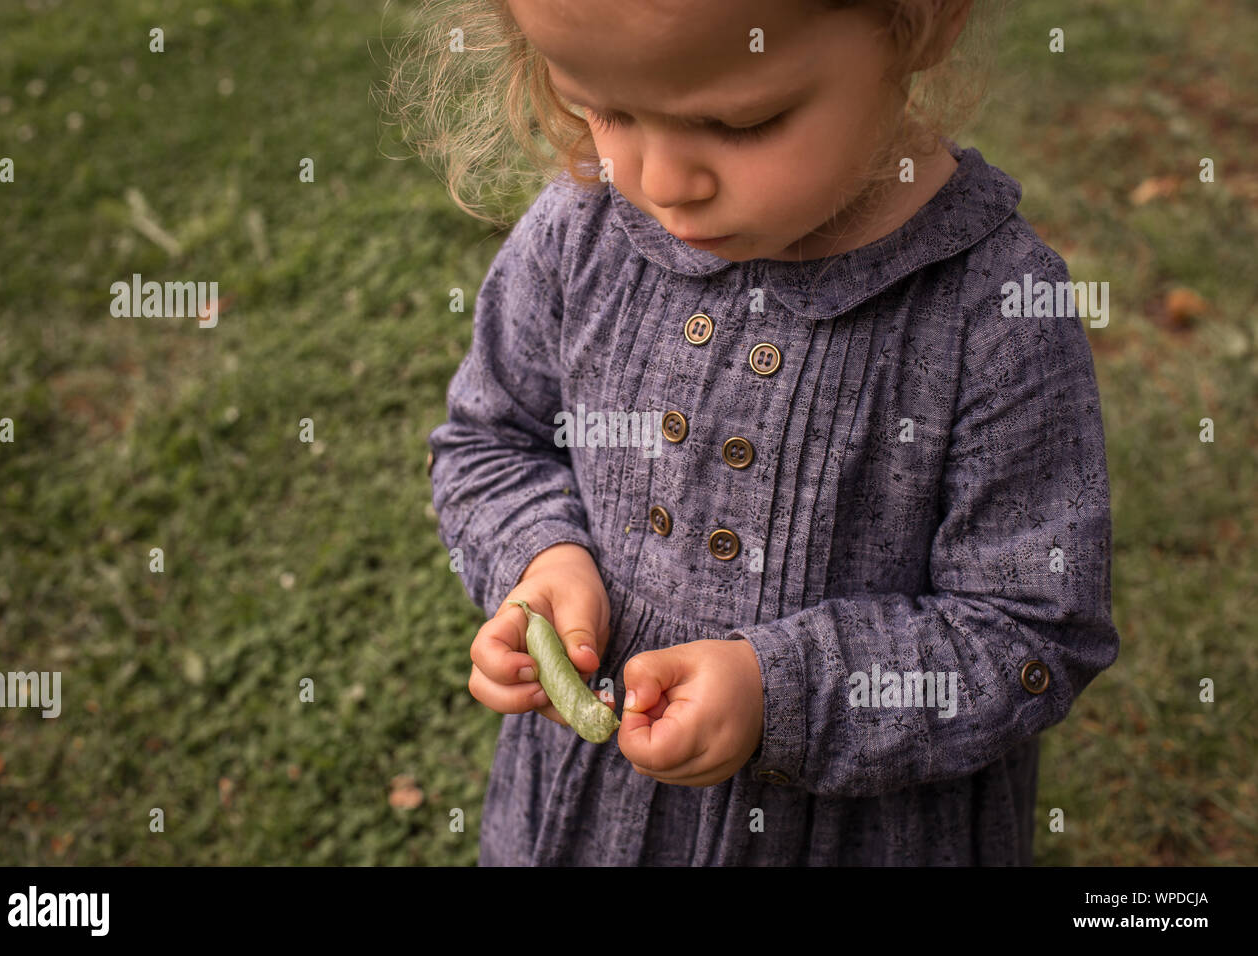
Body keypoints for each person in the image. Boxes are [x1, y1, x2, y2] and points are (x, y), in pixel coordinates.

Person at [411, 0, 1120, 864]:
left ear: (921, 24)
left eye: (738, 121)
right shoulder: (579, 232)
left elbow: (1033, 631)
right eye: (607, 109)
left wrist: (784, 696)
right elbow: (491, 441)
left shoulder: (996, 313)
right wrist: (539, 556)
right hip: (582, 820)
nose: (664, 180)